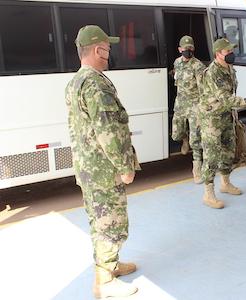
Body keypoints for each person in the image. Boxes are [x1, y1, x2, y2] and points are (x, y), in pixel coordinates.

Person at [65, 25, 140, 298]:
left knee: (99, 221)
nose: (109, 53)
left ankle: (111, 266)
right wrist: (125, 167)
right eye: (108, 48)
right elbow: (107, 131)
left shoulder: (75, 81)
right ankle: (105, 283)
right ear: (98, 49)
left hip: (88, 168)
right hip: (105, 171)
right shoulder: (96, 83)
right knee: (111, 224)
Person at [199, 38, 246, 209]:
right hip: (212, 119)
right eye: (228, 52)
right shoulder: (212, 73)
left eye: (231, 51)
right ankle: (208, 193)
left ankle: (225, 183)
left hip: (227, 116)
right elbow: (225, 99)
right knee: (211, 155)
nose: (231, 54)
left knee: (228, 150)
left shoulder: (230, 69)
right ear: (218, 54)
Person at [172, 35, 206, 183]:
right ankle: (184, 139)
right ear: (179, 49)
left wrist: (202, 108)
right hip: (180, 103)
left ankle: (197, 169)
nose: (188, 50)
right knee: (176, 133)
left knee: (196, 139)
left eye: (190, 48)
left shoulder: (198, 66)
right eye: (185, 48)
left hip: (194, 105)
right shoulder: (177, 63)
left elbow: (203, 89)